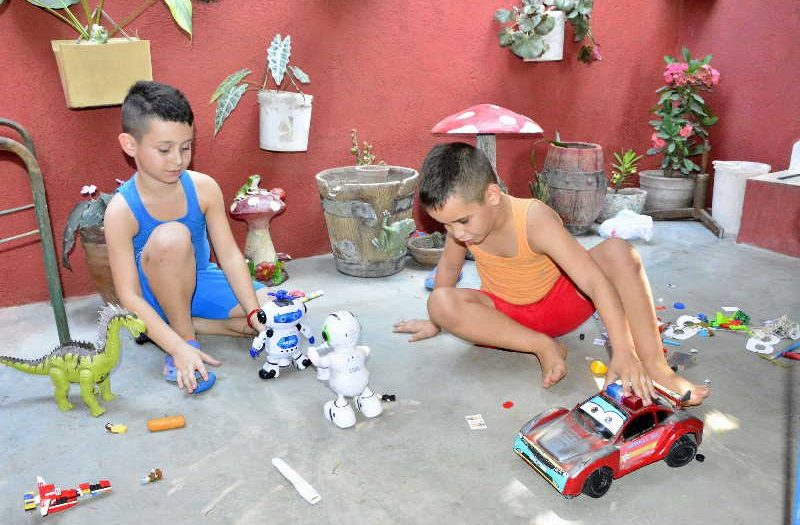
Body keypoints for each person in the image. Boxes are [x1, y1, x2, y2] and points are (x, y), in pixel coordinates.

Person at [393, 142, 710, 405]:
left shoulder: (534, 218)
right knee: (440, 302)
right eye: (446, 225)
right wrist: (437, 323)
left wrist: (623, 352)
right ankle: (542, 346)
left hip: (561, 304)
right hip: (507, 323)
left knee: (617, 251)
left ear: (492, 195)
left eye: (462, 221)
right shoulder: (462, 230)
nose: (456, 233)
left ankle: (655, 366)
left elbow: (593, 282)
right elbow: (449, 268)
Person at [105, 81, 269, 394]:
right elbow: (128, 296)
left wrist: (254, 312)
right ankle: (182, 338)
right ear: (130, 145)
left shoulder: (204, 187)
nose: (178, 160)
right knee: (173, 237)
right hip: (151, 295)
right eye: (164, 150)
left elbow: (231, 257)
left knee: (279, 311)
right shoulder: (120, 211)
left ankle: (191, 325)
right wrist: (178, 348)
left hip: (201, 280)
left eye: (186, 147)